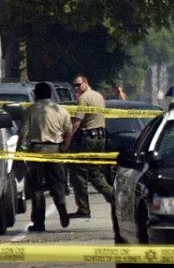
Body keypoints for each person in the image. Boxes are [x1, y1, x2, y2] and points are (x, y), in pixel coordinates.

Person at [20, 82, 71, 232]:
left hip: (36, 150)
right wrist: (63, 148)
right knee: (57, 183)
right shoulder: (61, 110)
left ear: (36, 94)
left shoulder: (30, 110)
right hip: (55, 149)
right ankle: (61, 206)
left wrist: (19, 150)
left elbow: (23, 134)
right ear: (50, 94)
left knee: (36, 187)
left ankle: (39, 222)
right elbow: (68, 131)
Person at [68, 74, 115, 218]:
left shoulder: (84, 99)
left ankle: (83, 209)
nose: (76, 88)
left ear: (86, 83)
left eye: (79, 84)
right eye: (75, 85)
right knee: (95, 173)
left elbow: (77, 122)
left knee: (79, 174)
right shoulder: (99, 96)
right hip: (100, 137)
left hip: (87, 139)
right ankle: (114, 198)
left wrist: (67, 139)